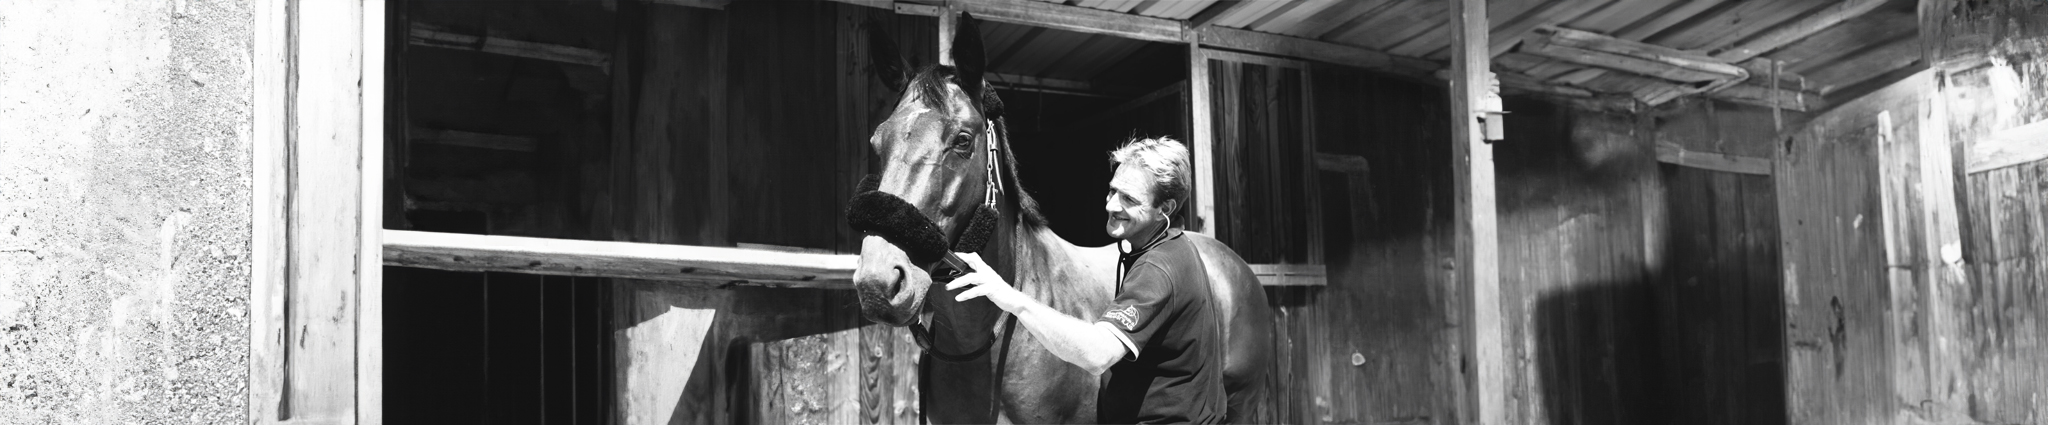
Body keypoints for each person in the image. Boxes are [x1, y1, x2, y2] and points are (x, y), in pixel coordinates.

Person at [950, 137, 1225, 424]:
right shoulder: (1173, 246)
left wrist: (1011, 299)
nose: (1110, 205)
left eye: (1129, 199)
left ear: (1164, 209)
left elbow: (1098, 354)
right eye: (1112, 191)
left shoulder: (1157, 267)